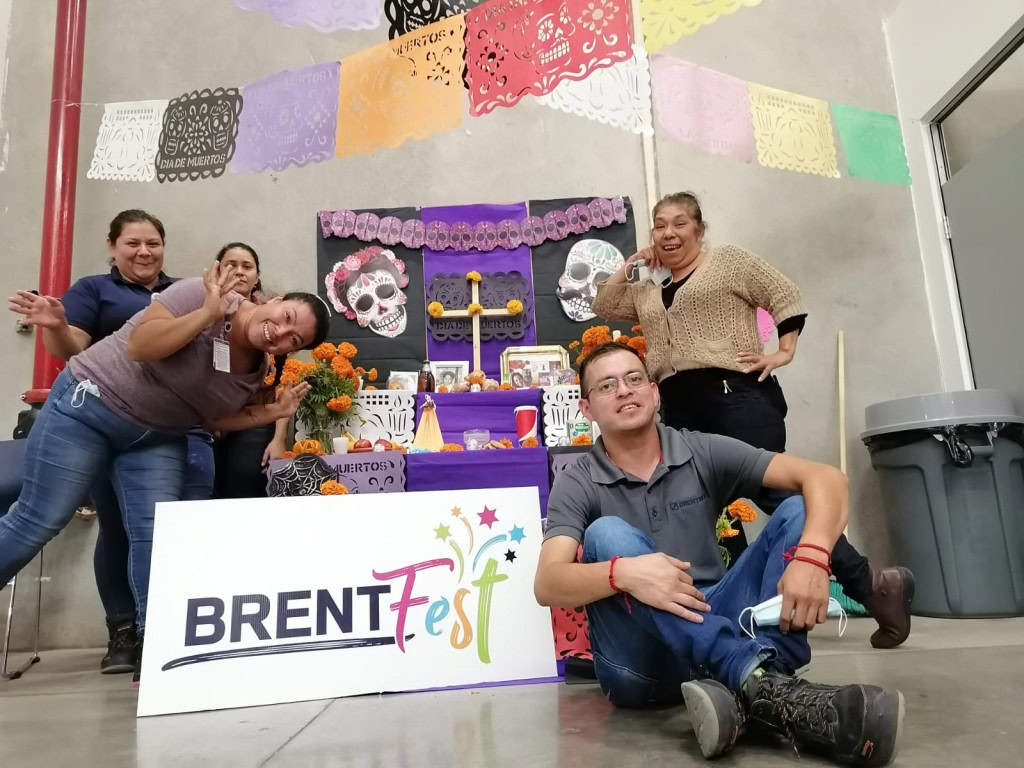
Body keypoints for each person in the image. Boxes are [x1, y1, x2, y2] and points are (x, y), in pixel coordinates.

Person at [535, 342, 904, 765]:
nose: (624, 390)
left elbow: (827, 479)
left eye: (635, 378)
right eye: (607, 385)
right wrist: (625, 574)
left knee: (799, 509)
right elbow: (548, 583)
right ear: (587, 409)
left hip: (721, 620)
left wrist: (813, 557)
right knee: (608, 534)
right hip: (641, 666)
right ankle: (760, 681)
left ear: (655, 393)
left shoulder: (701, 449)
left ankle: (757, 691)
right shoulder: (578, 481)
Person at [592, 192, 913, 650]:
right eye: (660, 225)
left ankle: (873, 587)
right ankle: (731, 612)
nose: (668, 233)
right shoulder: (647, 289)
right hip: (680, 406)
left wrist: (784, 351)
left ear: (699, 229)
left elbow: (784, 294)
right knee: (709, 508)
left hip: (735, 397)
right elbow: (605, 303)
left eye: (680, 223)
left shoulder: (728, 262)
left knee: (774, 493)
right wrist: (631, 263)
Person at [2, 262, 328, 681]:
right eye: (286, 319)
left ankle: (157, 651)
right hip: (90, 408)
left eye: (293, 340)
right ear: (276, 300)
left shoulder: (259, 369)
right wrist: (207, 314)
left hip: (155, 436)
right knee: (39, 518)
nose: (280, 334)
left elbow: (211, 418)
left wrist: (273, 411)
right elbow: (141, 346)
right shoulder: (198, 293)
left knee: (156, 534)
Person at [8, 209, 213, 674]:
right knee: (115, 530)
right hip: (100, 419)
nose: (144, 251)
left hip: (168, 428)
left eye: (153, 243)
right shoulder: (94, 290)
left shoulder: (184, 291)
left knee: (162, 531)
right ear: (112, 247)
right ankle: (122, 631)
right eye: (133, 243)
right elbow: (73, 348)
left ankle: (158, 633)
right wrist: (57, 325)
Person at [211, 243, 290, 498]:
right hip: (203, 422)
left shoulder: (275, 321)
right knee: (205, 493)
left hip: (254, 421)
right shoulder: (202, 309)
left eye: (247, 266)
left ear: (257, 276)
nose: (239, 271)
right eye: (230, 265)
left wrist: (279, 439)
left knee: (243, 490)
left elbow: (284, 388)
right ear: (217, 270)